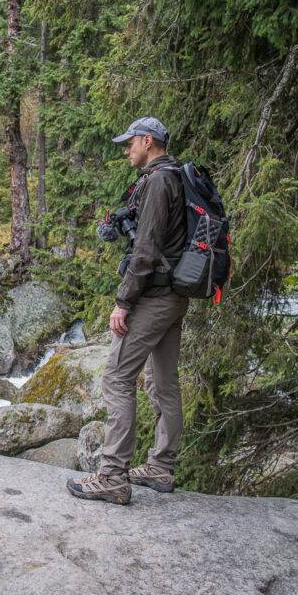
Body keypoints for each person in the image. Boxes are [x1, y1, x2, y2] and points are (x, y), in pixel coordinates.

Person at [66, 116, 189, 505]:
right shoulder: (178, 176)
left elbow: (146, 251)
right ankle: (161, 467)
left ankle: (113, 475)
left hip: (153, 296)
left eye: (130, 143)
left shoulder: (157, 181)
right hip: (175, 295)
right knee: (162, 382)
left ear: (148, 141)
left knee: (118, 379)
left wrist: (123, 302)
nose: (126, 150)